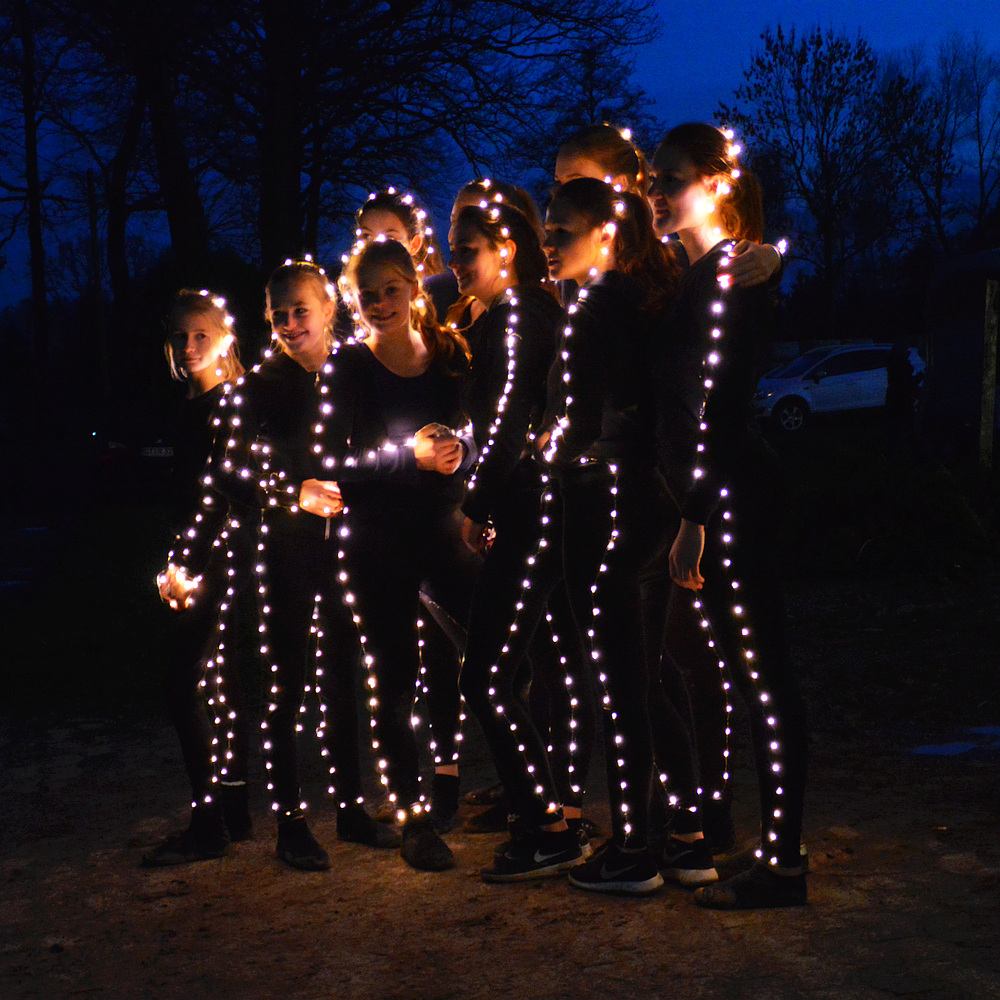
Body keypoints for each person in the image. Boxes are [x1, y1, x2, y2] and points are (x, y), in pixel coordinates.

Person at [648, 123, 809, 909]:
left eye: (670, 178)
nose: (655, 192)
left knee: (764, 675)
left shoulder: (731, 275)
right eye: (650, 178)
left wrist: (696, 516)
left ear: (715, 181)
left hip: (734, 496)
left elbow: (722, 404)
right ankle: (773, 851)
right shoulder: (699, 273)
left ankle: (785, 863)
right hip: (722, 494)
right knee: (746, 675)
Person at [205, 259, 398, 871]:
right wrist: (294, 493)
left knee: (346, 679)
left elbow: (379, 447)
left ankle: (349, 808)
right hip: (283, 557)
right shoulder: (256, 390)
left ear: (328, 310)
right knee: (285, 685)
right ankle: (290, 820)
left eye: (301, 311)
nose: (290, 324)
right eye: (279, 313)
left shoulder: (356, 375)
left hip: (352, 551)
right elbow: (228, 473)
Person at [315, 238, 480, 871]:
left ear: (414, 287)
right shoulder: (349, 367)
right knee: (394, 675)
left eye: (391, 289)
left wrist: (458, 453)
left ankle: (521, 800)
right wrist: (403, 456)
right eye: (368, 293)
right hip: (377, 540)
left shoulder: (447, 355)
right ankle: (413, 820)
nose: (381, 303)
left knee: (491, 648)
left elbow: (472, 428)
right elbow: (335, 462)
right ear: (353, 301)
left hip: (443, 529)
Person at [444, 200, 594, 878]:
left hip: (535, 515)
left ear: (506, 246)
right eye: (451, 249)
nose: (454, 263)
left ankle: (545, 827)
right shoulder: (520, 314)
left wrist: (476, 504)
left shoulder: (519, 317)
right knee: (540, 664)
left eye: (467, 249)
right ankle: (554, 813)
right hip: (541, 510)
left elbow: (508, 423)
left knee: (486, 675)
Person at [145, 289, 255, 866]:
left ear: (226, 338)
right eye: (180, 337)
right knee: (220, 687)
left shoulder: (229, 407)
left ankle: (209, 819)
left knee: (183, 683)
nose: (189, 347)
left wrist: (183, 566)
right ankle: (232, 811)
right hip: (193, 561)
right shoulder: (187, 407)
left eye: (201, 336)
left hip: (218, 563)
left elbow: (216, 499)